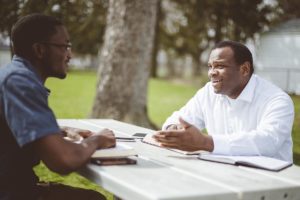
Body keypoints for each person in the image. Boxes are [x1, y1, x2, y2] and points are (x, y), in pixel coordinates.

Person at [0, 13, 116, 200]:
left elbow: (13, 127)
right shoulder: (20, 82)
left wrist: (61, 131)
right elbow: (63, 160)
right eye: (65, 46)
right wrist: (98, 140)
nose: (69, 55)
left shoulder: (14, 74)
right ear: (39, 50)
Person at [153, 40, 294, 162]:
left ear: (244, 69)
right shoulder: (208, 93)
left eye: (220, 66)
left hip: (272, 182)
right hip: (223, 175)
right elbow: (177, 119)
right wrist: (175, 131)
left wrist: (205, 142)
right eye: (210, 66)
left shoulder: (277, 100)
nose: (211, 73)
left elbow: (266, 142)